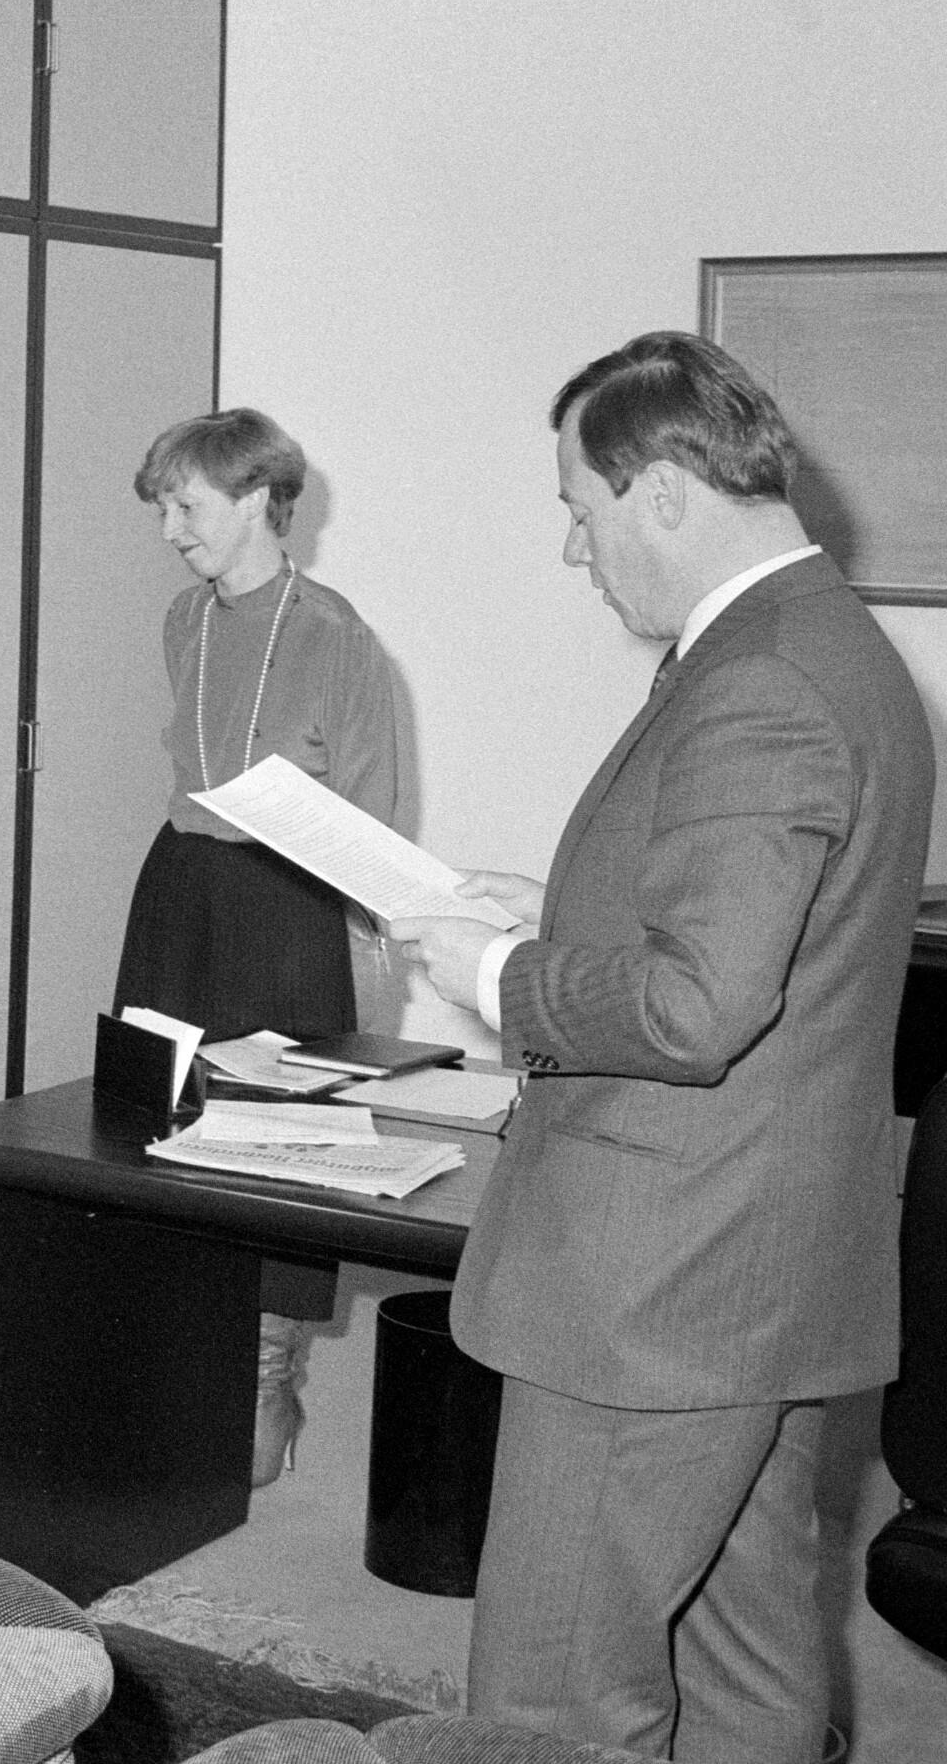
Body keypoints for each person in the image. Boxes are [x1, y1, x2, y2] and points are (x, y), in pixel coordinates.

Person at [396, 331, 933, 1760]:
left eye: (580, 510)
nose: (575, 550)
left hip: (655, 1288)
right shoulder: (828, 642)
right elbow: (768, 934)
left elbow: (698, 1007)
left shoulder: (760, 678)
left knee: (553, 1703)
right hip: (758, 1271)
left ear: (666, 495)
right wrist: (559, 910)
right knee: (743, 1664)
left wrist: (499, 973)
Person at [115, 408, 401, 1485]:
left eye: (185, 505)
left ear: (254, 499)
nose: (170, 529)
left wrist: (362, 941)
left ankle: (268, 1372)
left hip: (288, 903)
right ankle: (178, 1351)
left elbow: (370, 811)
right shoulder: (182, 619)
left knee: (281, 1138)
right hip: (180, 887)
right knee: (162, 1113)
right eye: (162, 507)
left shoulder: (335, 635)